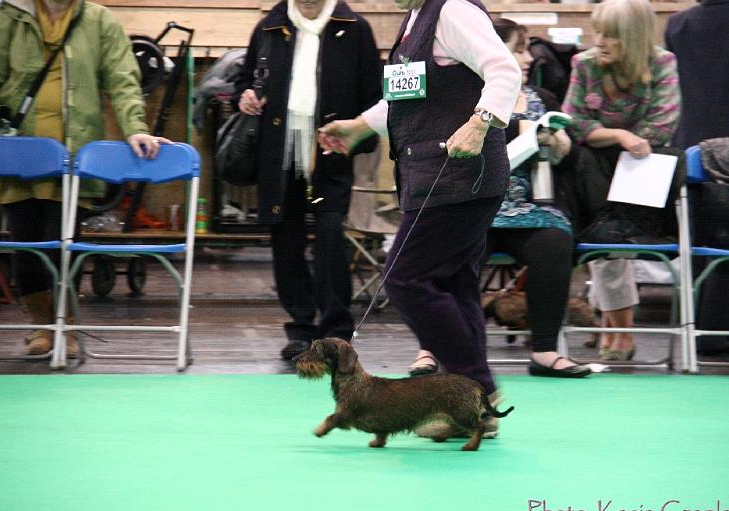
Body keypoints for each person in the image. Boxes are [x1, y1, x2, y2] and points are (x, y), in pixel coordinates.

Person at [319, 0, 521, 437]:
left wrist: (481, 122)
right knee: (455, 285)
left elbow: (505, 70)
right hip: (436, 175)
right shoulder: (415, 18)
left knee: (405, 279)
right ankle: (468, 408)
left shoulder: (452, 12)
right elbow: (410, 95)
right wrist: (361, 126)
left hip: (460, 174)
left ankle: (478, 391)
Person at [0, 0, 168, 357]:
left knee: (61, 244)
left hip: (73, 157)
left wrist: (135, 127)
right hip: (19, 154)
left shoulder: (99, 19)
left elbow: (122, 78)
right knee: (26, 248)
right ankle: (42, 326)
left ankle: (65, 326)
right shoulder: (13, 16)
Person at [234, 0, 382, 360]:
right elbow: (245, 79)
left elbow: (373, 93)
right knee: (285, 236)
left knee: (331, 235)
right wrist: (247, 96)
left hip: (331, 152)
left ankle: (335, 331)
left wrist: (359, 134)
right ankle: (300, 327)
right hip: (278, 152)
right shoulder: (269, 26)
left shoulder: (356, 28)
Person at [560, 0, 682, 361]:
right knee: (605, 250)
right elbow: (573, 121)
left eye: (611, 35)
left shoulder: (662, 63)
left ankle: (617, 333)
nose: (600, 40)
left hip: (646, 168)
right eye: (597, 31)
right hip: (593, 165)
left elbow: (662, 125)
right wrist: (619, 137)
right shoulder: (583, 64)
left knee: (616, 250)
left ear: (634, 36)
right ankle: (618, 333)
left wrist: (625, 141)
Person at [486, 19, 590, 377]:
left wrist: (563, 146)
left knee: (556, 242)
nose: (528, 58)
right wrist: (523, 129)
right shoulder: (467, 96)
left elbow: (573, 161)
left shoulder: (543, 99)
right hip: (476, 208)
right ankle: (436, 350)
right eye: (518, 49)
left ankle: (545, 351)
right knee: (452, 249)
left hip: (533, 208)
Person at [665, 0, 729, 358]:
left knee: (697, 238)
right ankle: (719, 332)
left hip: (691, 144)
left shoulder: (677, 24)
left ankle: (698, 329)